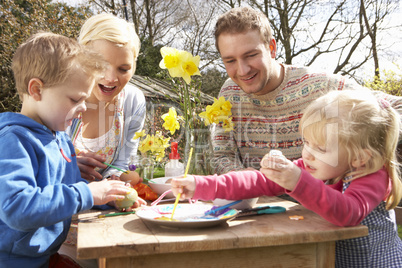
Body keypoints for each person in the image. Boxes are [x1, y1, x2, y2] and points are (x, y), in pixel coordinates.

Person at [172, 89, 402, 267]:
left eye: (320, 148)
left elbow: (347, 212)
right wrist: (201, 185)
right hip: (331, 260)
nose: (307, 154)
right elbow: (258, 181)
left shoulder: (372, 176)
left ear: (360, 158)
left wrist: (298, 181)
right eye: (306, 142)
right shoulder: (316, 167)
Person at [0, 32, 142, 267]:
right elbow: (16, 207)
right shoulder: (13, 141)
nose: (83, 108)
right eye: (75, 100)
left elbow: (68, 192)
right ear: (36, 90)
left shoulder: (60, 139)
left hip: (45, 257)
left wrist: (107, 197)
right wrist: (88, 194)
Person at [210, 6, 402, 175]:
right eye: (230, 61)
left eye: (251, 55)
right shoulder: (229, 93)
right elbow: (222, 155)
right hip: (259, 207)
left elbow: (393, 107)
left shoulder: (321, 87)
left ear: (272, 48)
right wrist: (242, 178)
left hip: (325, 207)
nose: (242, 70)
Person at [66, 13, 146, 185]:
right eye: (100, 65)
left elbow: (122, 164)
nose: (111, 78)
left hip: (100, 205)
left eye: (123, 69)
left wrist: (115, 183)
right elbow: (37, 161)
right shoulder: (62, 99)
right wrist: (67, 167)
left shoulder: (133, 102)